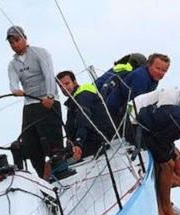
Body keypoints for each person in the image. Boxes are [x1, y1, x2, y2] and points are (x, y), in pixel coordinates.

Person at [6, 25, 67, 180]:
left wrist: (50, 97)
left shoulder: (40, 53)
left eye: (17, 40)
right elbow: (13, 84)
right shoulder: (12, 64)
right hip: (30, 104)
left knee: (52, 138)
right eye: (11, 42)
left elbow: (48, 75)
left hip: (48, 100)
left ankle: (61, 170)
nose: (15, 44)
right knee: (30, 141)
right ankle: (42, 177)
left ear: (25, 38)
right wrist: (15, 90)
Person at [129, 78, 180, 187]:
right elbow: (157, 125)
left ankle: (166, 182)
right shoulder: (171, 97)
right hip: (134, 119)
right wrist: (170, 157)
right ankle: (167, 181)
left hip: (146, 125)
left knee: (177, 155)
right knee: (168, 163)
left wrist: (174, 154)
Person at [56, 70, 113, 159]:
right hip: (89, 138)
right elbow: (70, 125)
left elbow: (83, 118)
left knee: (63, 163)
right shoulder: (73, 100)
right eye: (61, 86)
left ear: (74, 82)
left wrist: (79, 142)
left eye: (67, 83)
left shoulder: (83, 95)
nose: (64, 88)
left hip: (99, 138)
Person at [105, 53, 171, 126]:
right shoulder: (141, 77)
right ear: (149, 65)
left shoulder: (153, 78)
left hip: (121, 113)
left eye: (164, 70)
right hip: (112, 114)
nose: (160, 72)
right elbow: (137, 103)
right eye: (157, 68)